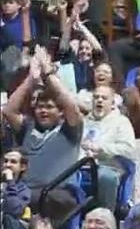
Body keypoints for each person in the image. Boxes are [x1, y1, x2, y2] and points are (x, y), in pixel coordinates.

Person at [2, 53, 85, 220]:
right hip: (23, 191)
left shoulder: (70, 131)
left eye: (49, 107)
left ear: (60, 112)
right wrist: (31, 80)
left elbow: (72, 107)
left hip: (56, 194)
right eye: (40, 107)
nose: (43, 111)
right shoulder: (28, 127)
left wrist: (48, 75)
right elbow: (9, 111)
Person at [81, 84, 136, 211]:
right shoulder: (83, 121)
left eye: (104, 98)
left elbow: (128, 149)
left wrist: (101, 149)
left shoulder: (121, 122)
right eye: (96, 97)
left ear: (112, 104)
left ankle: (106, 218)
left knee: (106, 177)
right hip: (81, 168)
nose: (99, 100)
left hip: (109, 166)